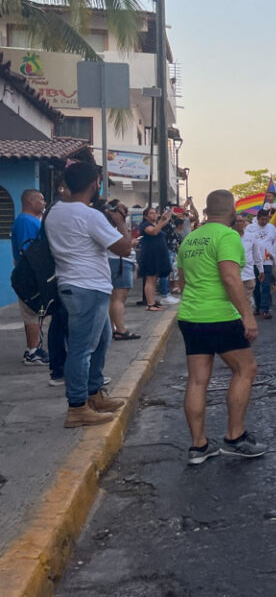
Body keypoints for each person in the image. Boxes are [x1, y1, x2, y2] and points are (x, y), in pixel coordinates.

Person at [177, 190, 265, 464]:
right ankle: (234, 437)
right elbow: (230, 277)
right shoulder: (227, 236)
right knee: (245, 369)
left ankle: (199, 446)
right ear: (232, 209)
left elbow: (182, 282)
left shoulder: (190, 239)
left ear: (206, 210)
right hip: (220, 316)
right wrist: (247, 315)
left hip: (191, 315)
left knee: (198, 380)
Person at [45, 162, 132, 427]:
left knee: (102, 339)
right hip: (87, 287)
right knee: (82, 349)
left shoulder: (55, 212)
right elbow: (124, 248)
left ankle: (94, 393)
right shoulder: (88, 215)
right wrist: (120, 223)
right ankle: (77, 406)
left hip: (76, 285)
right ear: (95, 184)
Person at [11, 187, 50, 366]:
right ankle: (32, 351)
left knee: (34, 312)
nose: (44, 203)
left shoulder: (28, 220)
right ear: (30, 201)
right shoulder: (26, 221)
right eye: (41, 199)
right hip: (30, 275)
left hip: (30, 273)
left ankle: (33, 349)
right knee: (31, 313)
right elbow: (29, 250)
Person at [106, 200, 140, 340]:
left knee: (115, 299)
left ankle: (113, 328)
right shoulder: (114, 226)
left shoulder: (113, 225)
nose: (125, 209)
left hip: (120, 262)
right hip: (120, 262)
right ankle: (120, 330)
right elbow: (124, 244)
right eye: (121, 207)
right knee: (119, 298)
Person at [137, 206, 173, 311]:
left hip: (157, 255)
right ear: (145, 216)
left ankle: (152, 302)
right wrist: (161, 221)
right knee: (150, 279)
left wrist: (168, 215)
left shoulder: (154, 224)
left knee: (153, 279)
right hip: (150, 255)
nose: (154, 215)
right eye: (151, 213)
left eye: (155, 213)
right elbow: (153, 232)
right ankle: (150, 304)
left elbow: (161, 225)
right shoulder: (145, 225)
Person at [246, 208, 276, 320]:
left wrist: (272, 254)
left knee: (265, 285)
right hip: (254, 261)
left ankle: (265, 309)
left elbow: (275, 241)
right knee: (256, 285)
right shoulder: (250, 228)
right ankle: (258, 307)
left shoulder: (271, 228)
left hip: (267, 260)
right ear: (258, 218)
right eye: (262, 219)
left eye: (267, 219)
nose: (265, 221)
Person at [233, 215, 259, 310]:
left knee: (247, 300)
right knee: (236, 301)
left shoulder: (251, 237)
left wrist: (261, 270)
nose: (239, 223)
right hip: (234, 275)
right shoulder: (228, 237)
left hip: (248, 274)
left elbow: (257, 254)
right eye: (237, 221)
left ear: (244, 223)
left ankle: (246, 320)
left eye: (241, 221)